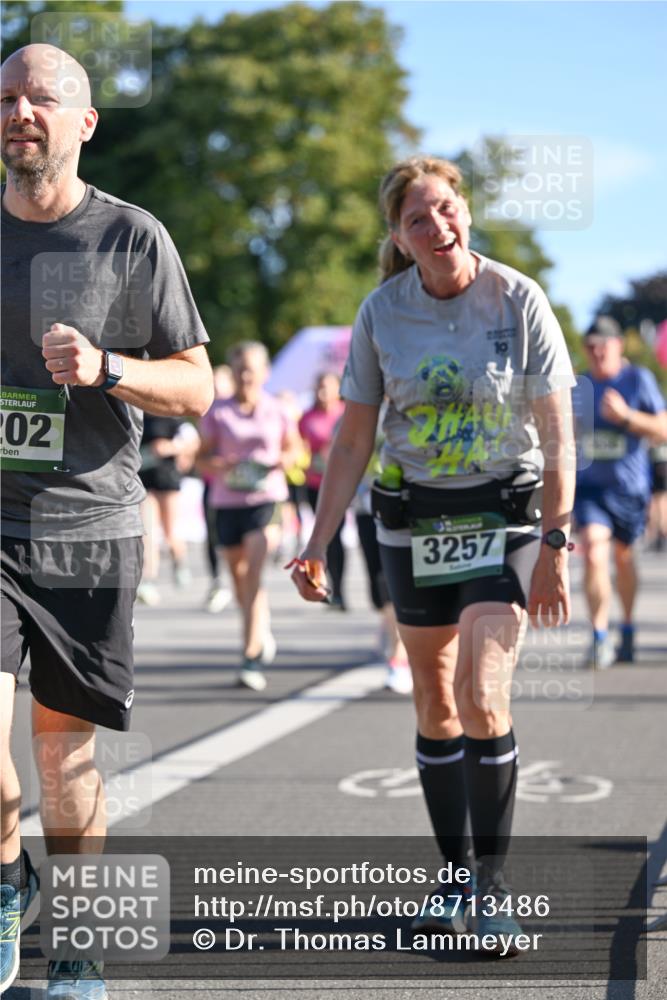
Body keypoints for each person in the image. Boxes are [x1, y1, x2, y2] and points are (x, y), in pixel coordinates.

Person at [290, 155, 576, 951]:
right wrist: (315, 541)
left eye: (446, 209)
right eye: (418, 219)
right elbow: (352, 438)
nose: (437, 227)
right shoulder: (382, 312)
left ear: (465, 213)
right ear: (398, 236)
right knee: (435, 703)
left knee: (483, 694)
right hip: (412, 518)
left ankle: (492, 888)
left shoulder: (518, 299)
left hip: (503, 512)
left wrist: (554, 541)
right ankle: (452, 878)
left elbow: (557, 438)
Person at [0, 44, 213, 998]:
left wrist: (108, 368)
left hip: (88, 527)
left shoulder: (131, 238)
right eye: (6, 97)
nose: (20, 111)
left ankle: (75, 944)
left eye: (42, 97)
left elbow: (198, 386)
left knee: (63, 754)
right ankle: (11, 878)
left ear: (84, 123)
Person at [198, 342, 300, 691]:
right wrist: (221, 466)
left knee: (254, 572)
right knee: (239, 578)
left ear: (265, 373)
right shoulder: (217, 412)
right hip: (227, 502)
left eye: (252, 369)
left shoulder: (278, 409)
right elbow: (200, 459)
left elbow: (295, 448)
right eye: (240, 369)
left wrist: (282, 461)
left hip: (266, 499)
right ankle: (261, 628)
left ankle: (250, 654)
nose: (245, 376)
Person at [572, 317, 667, 668]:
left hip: (629, 489)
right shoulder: (578, 386)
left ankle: (626, 626)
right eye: (591, 346)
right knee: (595, 551)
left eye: (604, 346)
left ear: (618, 346)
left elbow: (662, 427)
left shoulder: (637, 379)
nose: (597, 353)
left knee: (624, 560)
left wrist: (627, 417)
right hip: (590, 490)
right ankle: (598, 636)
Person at [136, 414, 200, 606]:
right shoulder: (138, 413)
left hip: (168, 479)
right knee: (148, 533)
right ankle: (148, 580)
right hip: (144, 480)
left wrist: (171, 447)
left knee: (171, 531)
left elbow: (193, 441)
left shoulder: (172, 417)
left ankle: (180, 562)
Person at [298, 372, 348, 609]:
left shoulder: (346, 413)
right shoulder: (307, 417)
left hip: (341, 484)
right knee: (321, 538)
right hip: (314, 484)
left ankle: (339, 589)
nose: (322, 392)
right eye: (319, 387)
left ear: (338, 389)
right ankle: (322, 585)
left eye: (327, 387)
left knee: (336, 536)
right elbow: (298, 446)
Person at [199, 364, 234, 613]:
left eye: (222, 384)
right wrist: (214, 464)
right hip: (213, 485)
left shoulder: (242, 411)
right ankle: (217, 581)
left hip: (243, 492)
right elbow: (199, 455)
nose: (218, 389)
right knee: (212, 536)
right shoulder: (207, 413)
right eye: (214, 384)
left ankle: (237, 583)